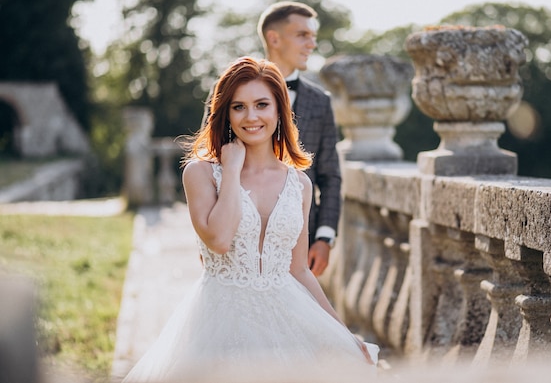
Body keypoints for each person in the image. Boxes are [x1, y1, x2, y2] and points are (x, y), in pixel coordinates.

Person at [122, 57, 377, 383]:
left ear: (279, 111)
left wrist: (342, 332)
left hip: (287, 318)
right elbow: (220, 239)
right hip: (220, 321)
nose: (251, 116)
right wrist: (230, 169)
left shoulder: (300, 183)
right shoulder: (200, 174)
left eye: (261, 105)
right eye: (239, 107)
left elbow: (298, 269)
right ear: (226, 113)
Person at [202, 1, 341, 277]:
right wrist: (207, 233)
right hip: (235, 238)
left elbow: (330, 174)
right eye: (303, 35)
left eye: (313, 37)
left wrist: (325, 236)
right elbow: (209, 160)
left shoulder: (320, 102)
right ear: (274, 38)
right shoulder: (228, 90)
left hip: (300, 237)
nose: (311, 45)